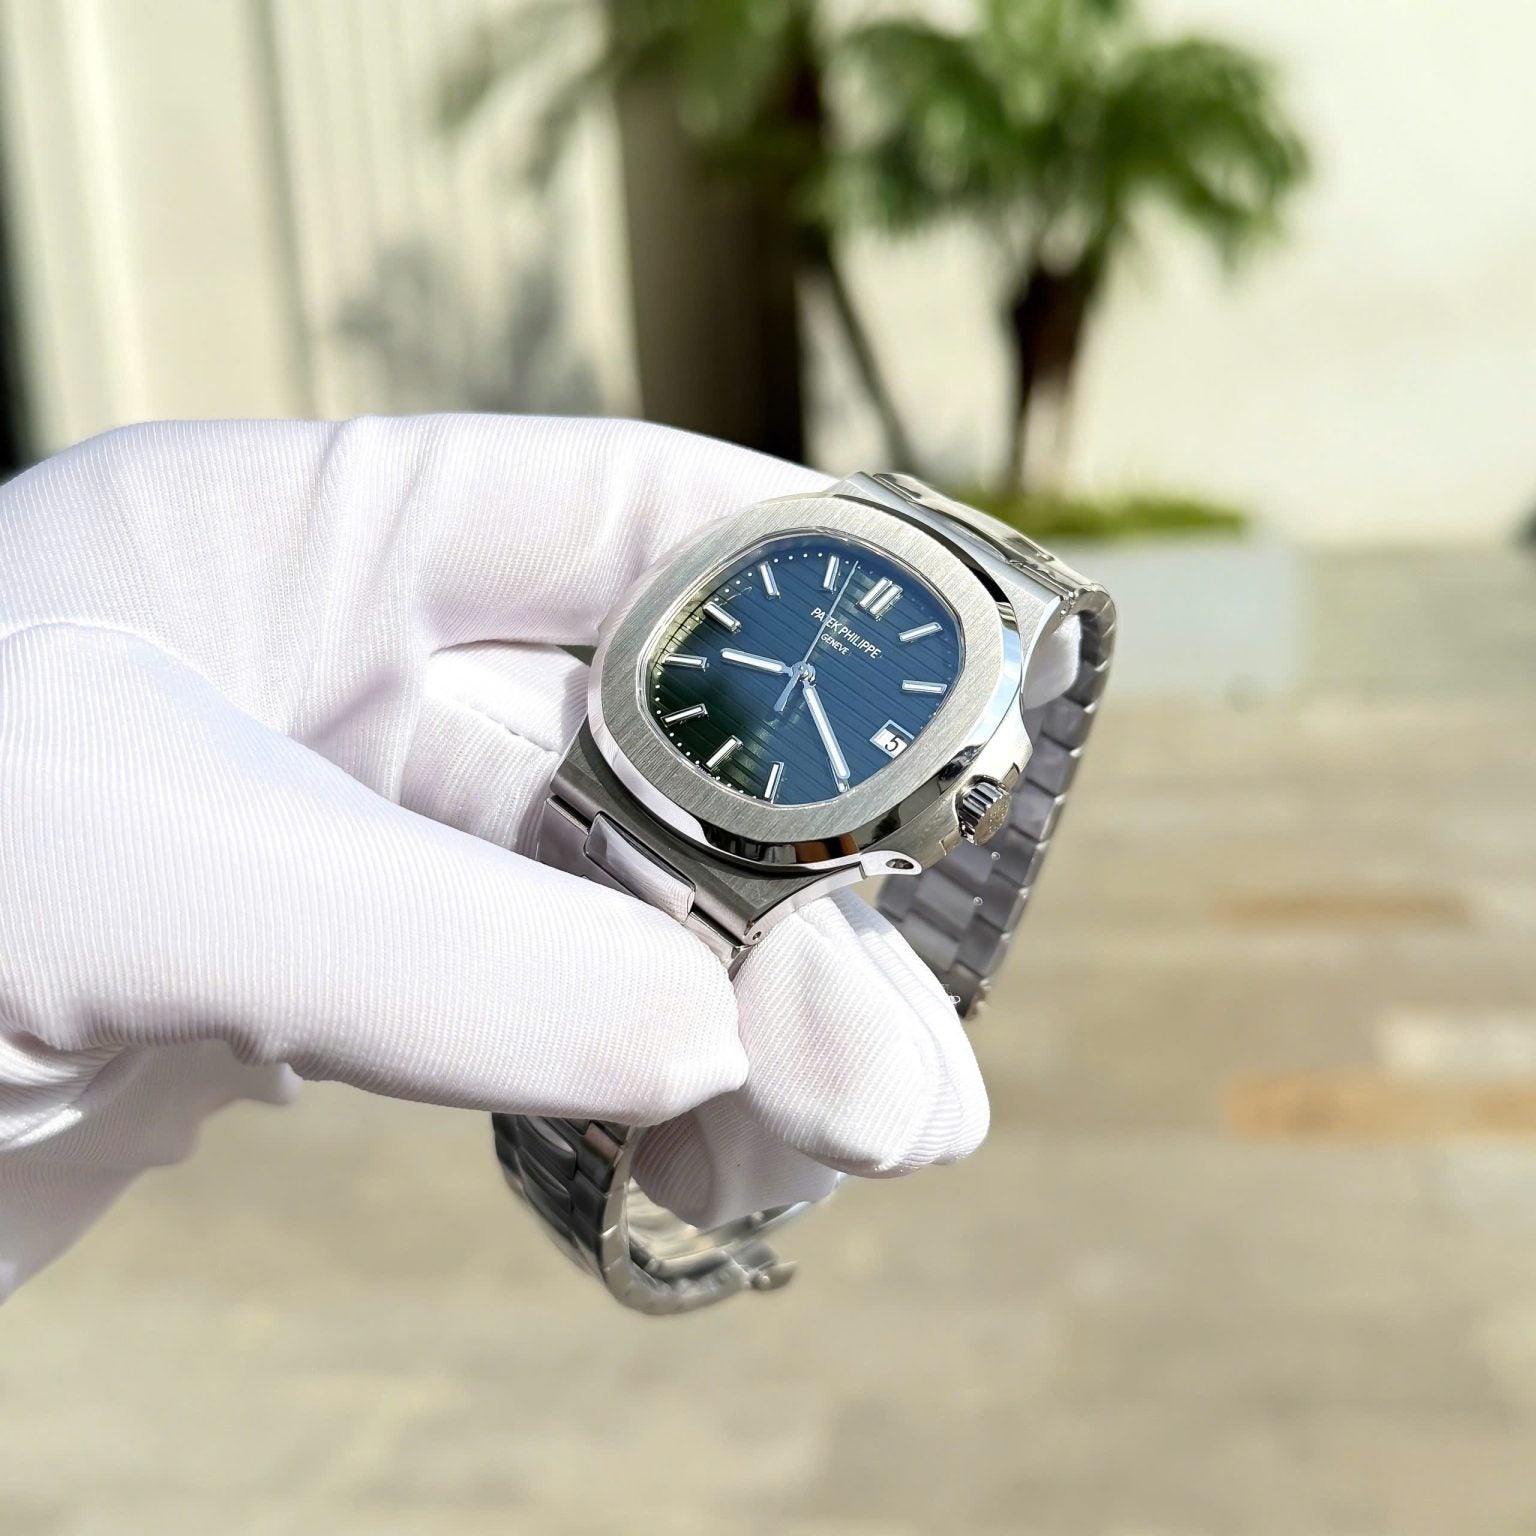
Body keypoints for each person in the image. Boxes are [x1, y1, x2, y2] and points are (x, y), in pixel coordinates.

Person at [0, 414, 1074, 1300]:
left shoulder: (931, 748)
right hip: (632, 758)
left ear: (971, 800)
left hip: (734, 806)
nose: (798, 684)